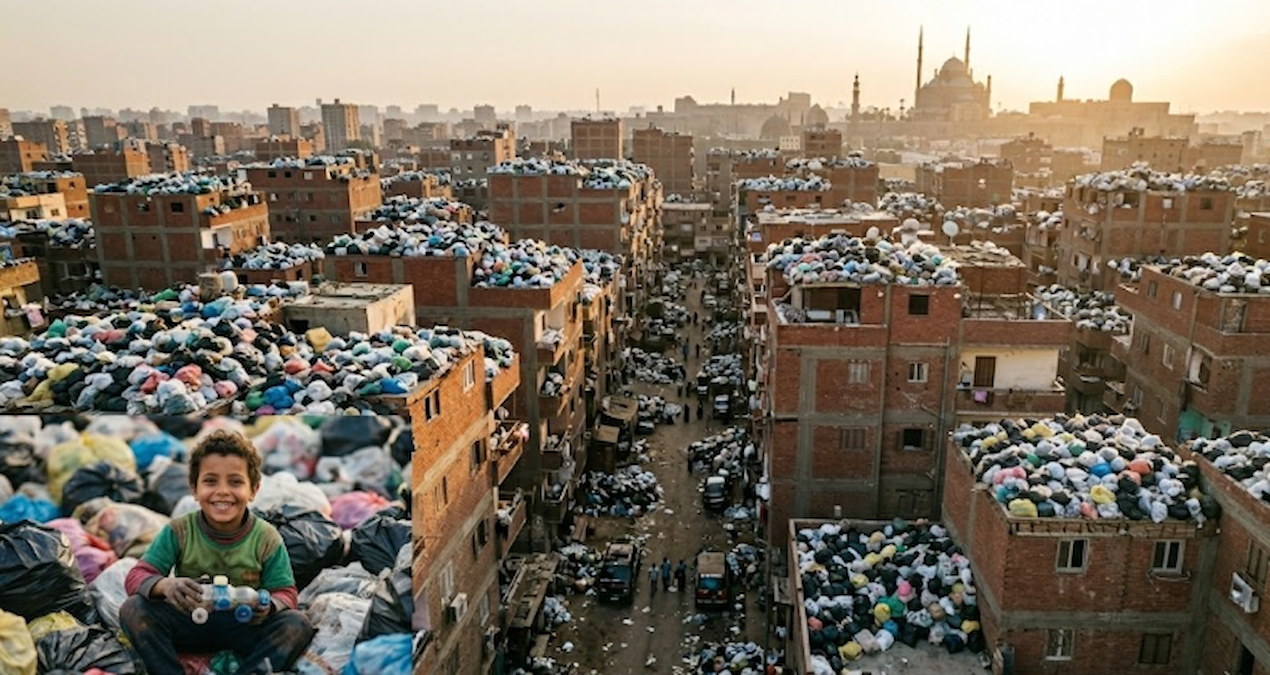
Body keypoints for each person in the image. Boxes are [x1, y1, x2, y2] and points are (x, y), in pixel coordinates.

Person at [120, 431, 315, 675]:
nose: (222, 491)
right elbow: (137, 577)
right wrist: (166, 586)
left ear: (253, 489)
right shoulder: (180, 530)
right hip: (189, 621)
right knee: (134, 609)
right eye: (210, 481)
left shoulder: (266, 537)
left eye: (235, 482)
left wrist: (270, 606)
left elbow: (285, 592)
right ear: (194, 488)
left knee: (297, 624)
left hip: (243, 625)